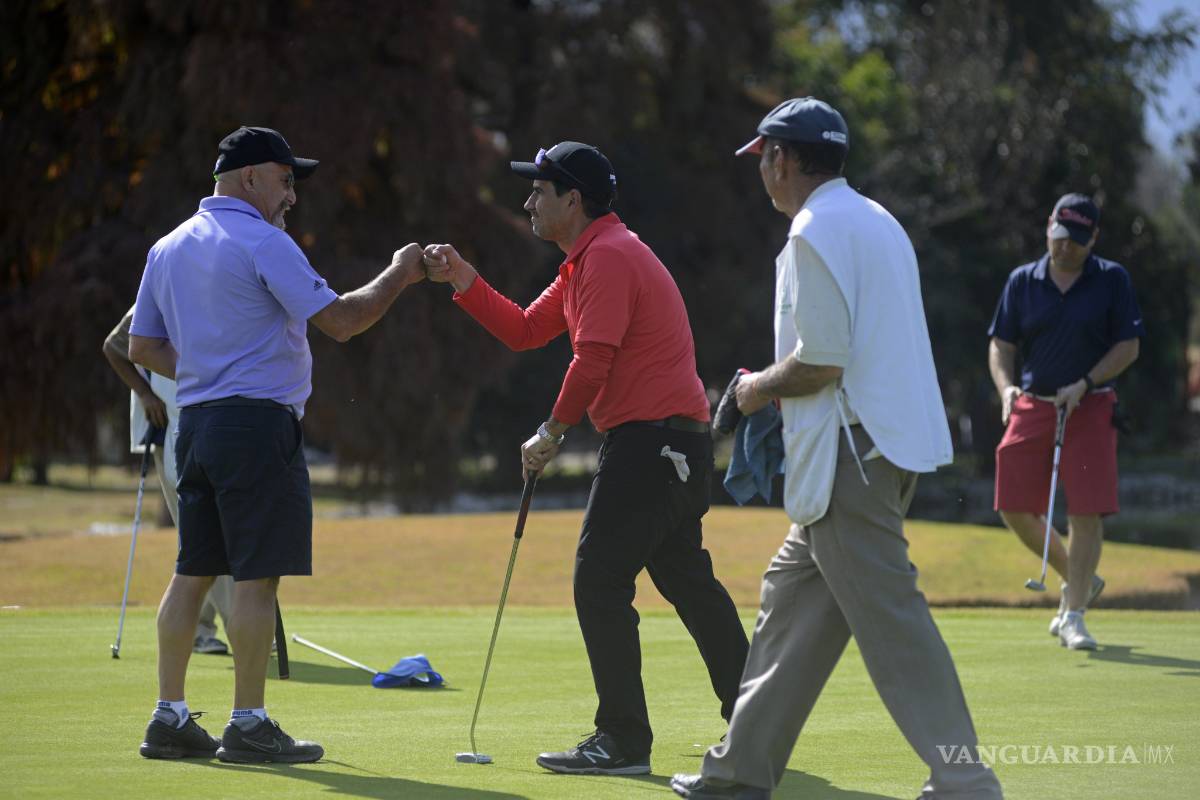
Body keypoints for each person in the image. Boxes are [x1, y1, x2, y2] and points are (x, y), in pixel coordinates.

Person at [671, 98, 1003, 800]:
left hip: (851, 456)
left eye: (763, 156)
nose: (761, 169)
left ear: (783, 159)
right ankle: (738, 771)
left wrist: (748, 392)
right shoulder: (877, 221)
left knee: (893, 624)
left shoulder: (812, 233)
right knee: (790, 600)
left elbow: (820, 360)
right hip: (877, 450)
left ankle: (965, 780)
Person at [423, 141, 749, 777]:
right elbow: (523, 329)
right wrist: (464, 278)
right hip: (671, 444)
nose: (529, 201)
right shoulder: (586, 262)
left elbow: (592, 361)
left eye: (539, 190)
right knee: (686, 580)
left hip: (651, 444)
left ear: (573, 199)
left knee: (598, 579)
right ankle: (757, 719)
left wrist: (551, 432)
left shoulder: (608, 258)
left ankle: (624, 739)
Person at [129, 126, 426, 763]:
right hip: (257, 428)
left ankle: (169, 716)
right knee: (258, 582)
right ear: (251, 177)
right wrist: (401, 273)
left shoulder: (168, 246)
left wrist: (209, 367)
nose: (292, 194)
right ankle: (249, 723)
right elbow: (343, 321)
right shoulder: (265, 242)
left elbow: (142, 347)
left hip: (199, 427)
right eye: (287, 179)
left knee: (192, 573)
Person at [988, 193, 1142, 650]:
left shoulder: (1112, 280)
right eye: (1059, 237)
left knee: (1086, 509)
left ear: (1093, 238)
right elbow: (1001, 345)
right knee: (1011, 504)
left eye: (1075, 241)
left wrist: (1088, 380)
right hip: (1032, 402)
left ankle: (1074, 612)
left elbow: (1129, 346)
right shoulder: (1023, 281)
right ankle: (1079, 579)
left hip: (1090, 405)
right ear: (1048, 226)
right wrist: (1006, 390)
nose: (1064, 248)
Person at [104, 306, 235, 655]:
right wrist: (146, 396)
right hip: (169, 430)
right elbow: (115, 345)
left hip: (209, 428)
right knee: (205, 533)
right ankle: (240, 626)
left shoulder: (215, 284)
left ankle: (201, 628)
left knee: (208, 533)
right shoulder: (161, 286)